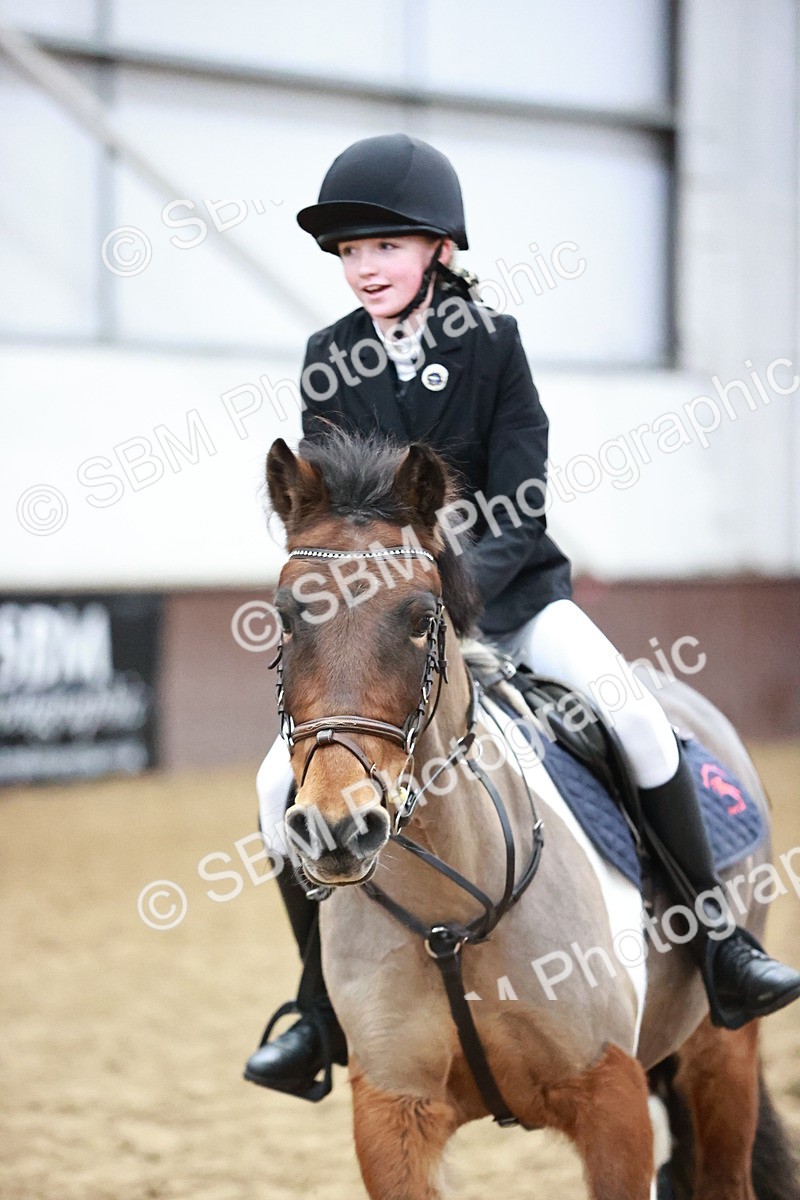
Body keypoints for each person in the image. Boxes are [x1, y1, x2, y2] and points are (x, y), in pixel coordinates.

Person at [244, 134, 800, 1099]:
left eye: (385, 247)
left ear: (438, 250)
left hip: (516, 595)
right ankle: (315, 1009)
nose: (364, 268)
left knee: (634, 719)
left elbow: (523, 500)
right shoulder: (327, 357)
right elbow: (335, 510)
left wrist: (454, 604)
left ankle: (719, 947)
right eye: (350, 253)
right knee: (269, 790)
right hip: (386, 625)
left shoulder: (492, 343)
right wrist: (384, 610)